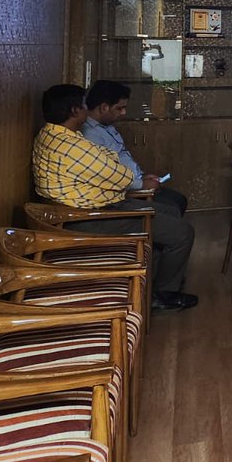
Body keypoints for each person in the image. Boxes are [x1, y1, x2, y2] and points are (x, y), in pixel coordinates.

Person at [32, 84, 197, 311]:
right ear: (74, 110)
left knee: (169, 212)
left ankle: (158, 280)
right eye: (82, 105)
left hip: (90, 206)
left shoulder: (51, 135)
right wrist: (133, 181)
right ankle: (161, 295)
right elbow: (116, 173)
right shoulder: (73, 146)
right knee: (182, 232)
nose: (85, 109)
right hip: (89, 218)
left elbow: (112, 169)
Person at [82, 79, 188, 215]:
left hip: (136, 182)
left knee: (179, 199)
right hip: (125, 190)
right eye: (120, 108)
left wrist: (142, 177)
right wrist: (141, 185)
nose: (123, 113)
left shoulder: (106, 126)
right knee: (172, 209)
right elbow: (108, 175)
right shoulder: (90, 135)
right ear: (104, 107)